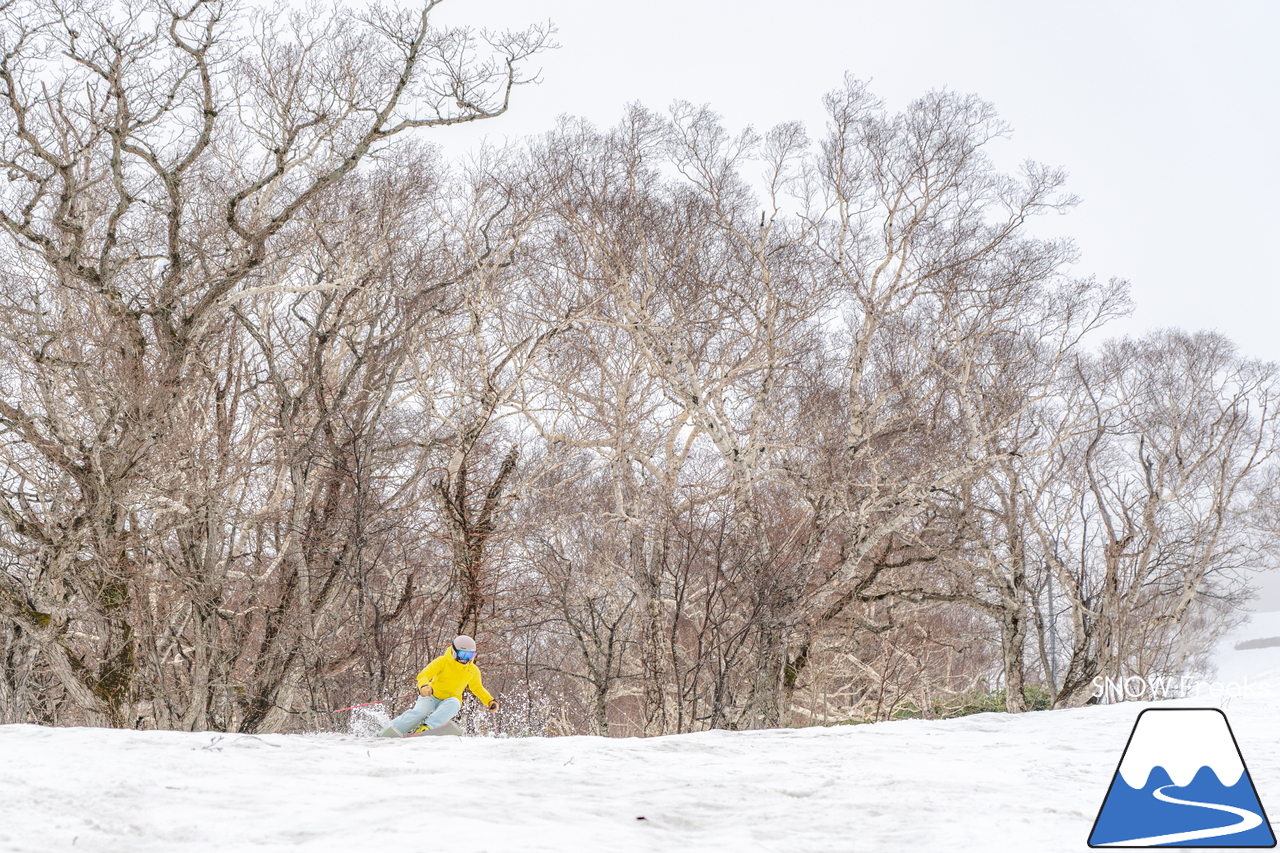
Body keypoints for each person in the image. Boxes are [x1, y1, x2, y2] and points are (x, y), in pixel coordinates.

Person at [378, 635, 499, 737]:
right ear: (454, 651)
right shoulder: (443, 661)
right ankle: (390, 731)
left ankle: (427, 728)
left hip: (450, 699)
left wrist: (489, 701)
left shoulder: (473, 670)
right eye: (463, 655)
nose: (465, 659)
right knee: (419, 713)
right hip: (432, 695)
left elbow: (477, 688)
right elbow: (424, 674)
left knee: (454, 703)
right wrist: (424, 686)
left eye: (470, 656)